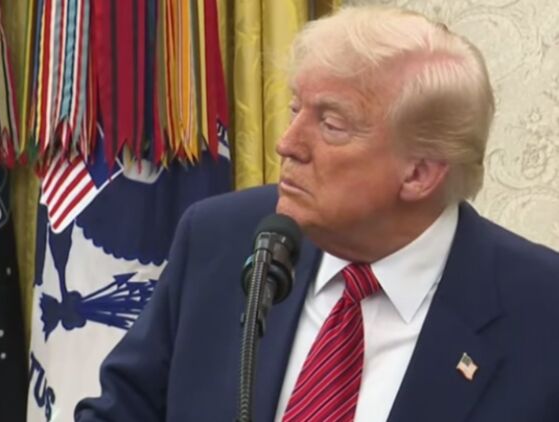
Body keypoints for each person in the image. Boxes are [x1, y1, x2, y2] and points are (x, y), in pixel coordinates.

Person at [75, 6, 559, 422]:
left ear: (419, 173)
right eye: (294, 109)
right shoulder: (219, 237)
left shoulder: (541, 310)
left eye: (330, 124)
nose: (287, 144)